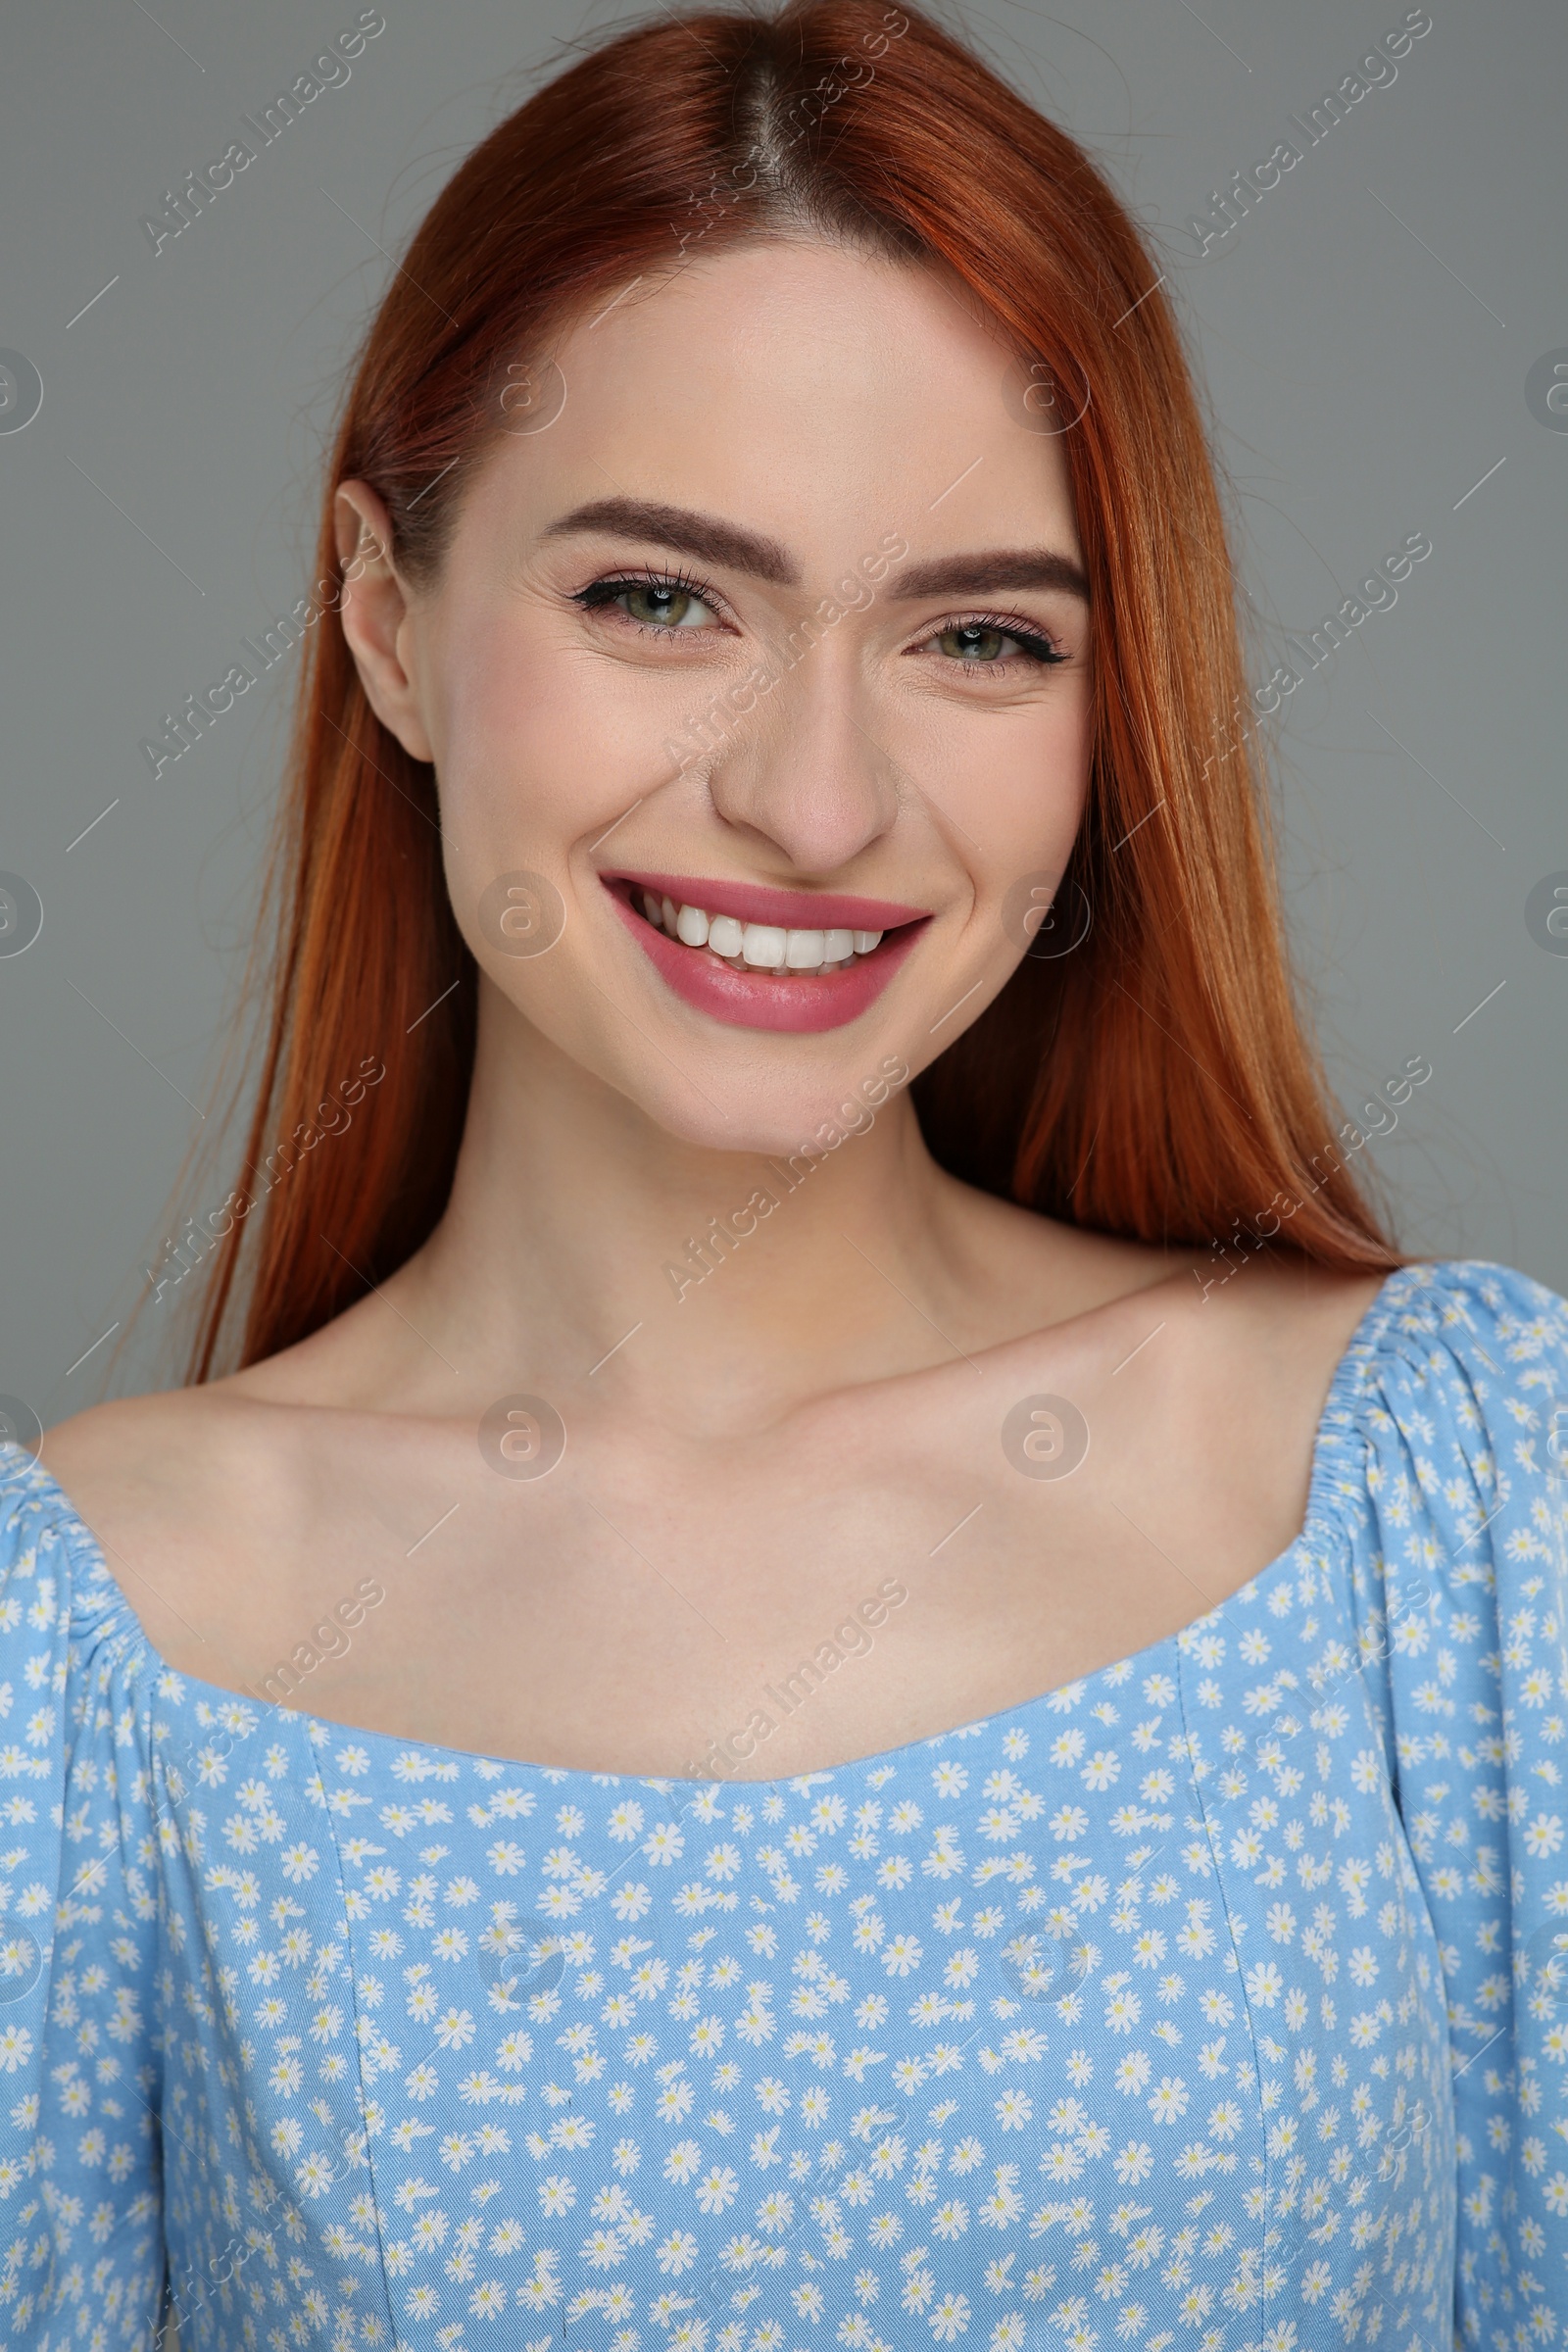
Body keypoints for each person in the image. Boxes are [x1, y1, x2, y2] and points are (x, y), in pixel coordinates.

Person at [4, 2, 1565, 2344]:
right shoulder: (78, 1659)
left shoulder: (1453, 1505)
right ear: (387, 620)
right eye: (660, 599)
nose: (815, 804)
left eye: (973, 635)